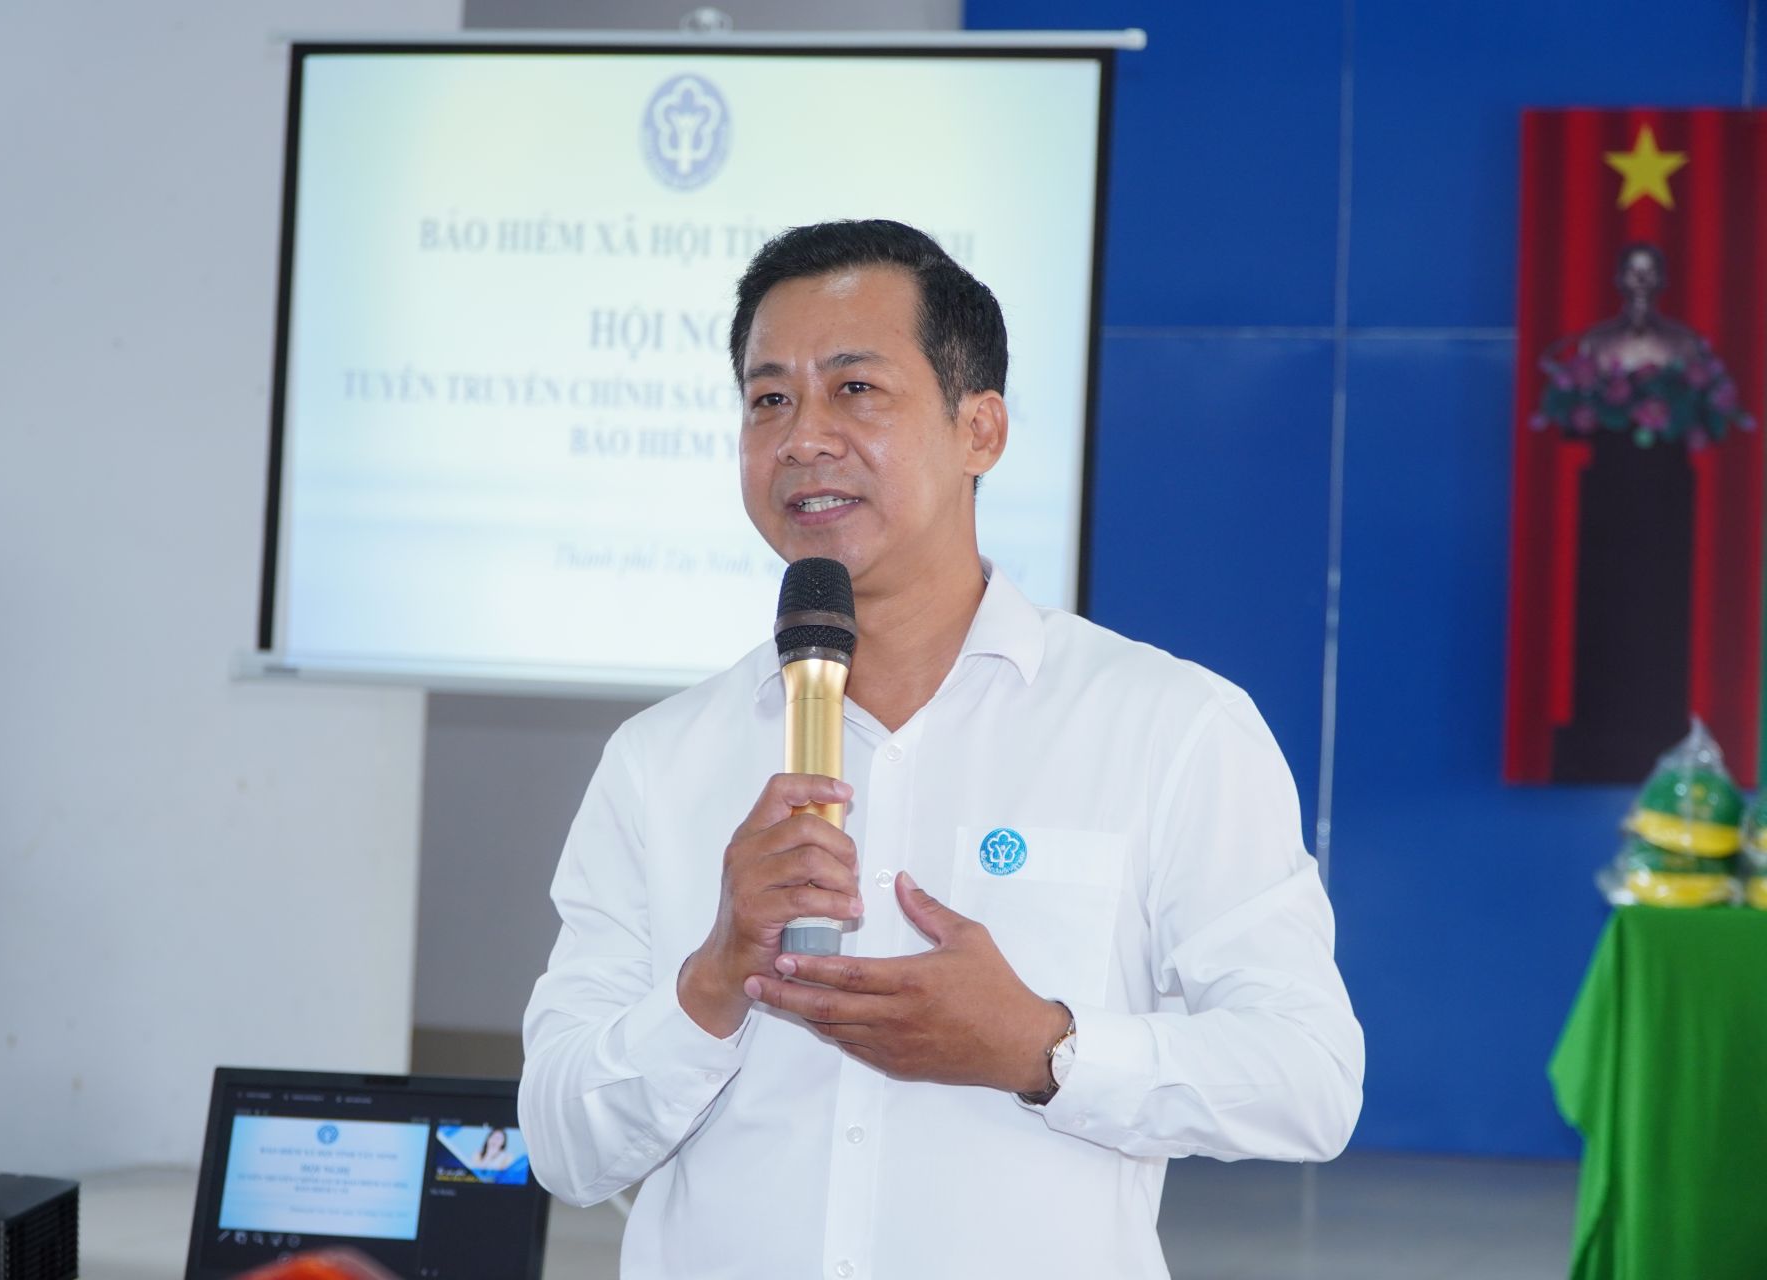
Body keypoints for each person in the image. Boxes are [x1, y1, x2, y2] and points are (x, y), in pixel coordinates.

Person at [519, 219, 1364, 1278]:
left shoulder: (1167, 725)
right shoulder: (661, 760)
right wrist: (712, 978)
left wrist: (1044, 1048)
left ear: (981, 429)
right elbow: (563, 1144)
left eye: (855, 389)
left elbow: (1308, 1077)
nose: (803, 438)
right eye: (769, 400)